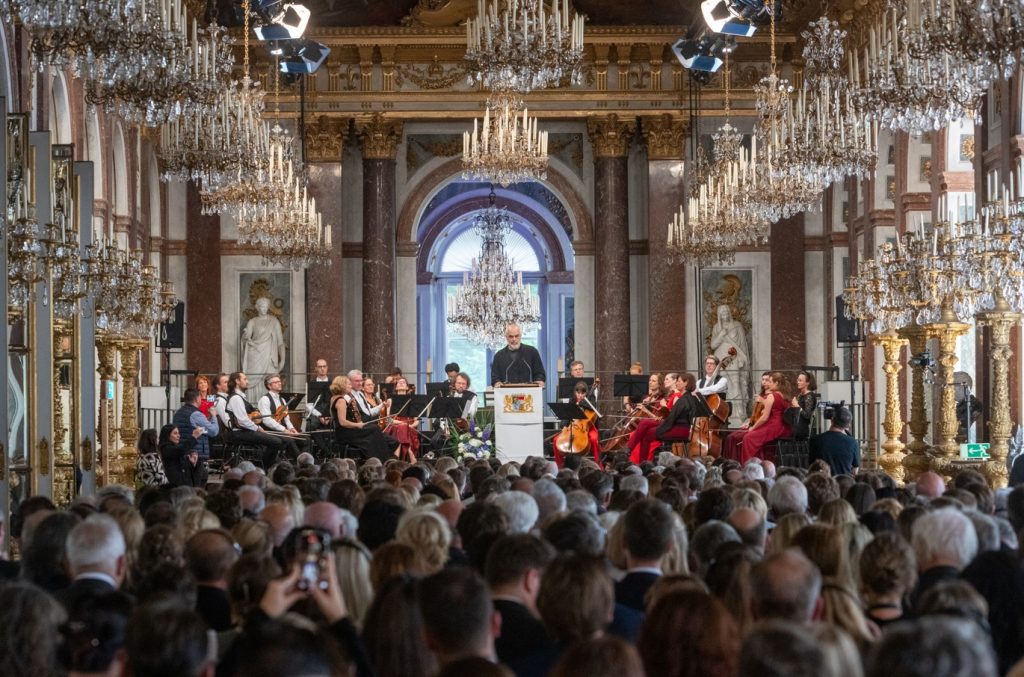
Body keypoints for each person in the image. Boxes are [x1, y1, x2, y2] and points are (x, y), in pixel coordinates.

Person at [223, 371, 288, 468]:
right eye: (244, 379)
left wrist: (257, 423)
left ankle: (270, 464)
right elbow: (242, 421)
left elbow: (247, 418)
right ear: (237, 381)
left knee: (282, 440)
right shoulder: (236, 398)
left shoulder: (240, 397)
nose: (247, 382)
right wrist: (257, 428)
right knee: (276, 441)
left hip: (245, 431)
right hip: (239, 433)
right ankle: (265, 467)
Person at [330, 375, 399, 462]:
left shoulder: (334, 398)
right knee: (374, 429)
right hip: (345, 433)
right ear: (342, 385)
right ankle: (384, 458)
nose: (350, 386)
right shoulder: (341, 401)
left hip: (343, 431)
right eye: (348, 384)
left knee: (374, 430)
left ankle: (382, 457)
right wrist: (357, 425)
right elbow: (342, 422)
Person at [734, 371, 792, 463]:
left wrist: (752, 428)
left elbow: (764, 418)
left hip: (774, 427)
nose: (768, 384)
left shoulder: (772, 396)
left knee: (748, 437)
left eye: (770, 382)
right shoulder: (785, 395)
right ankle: (760, 460)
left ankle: (750, 465)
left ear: (776, 383)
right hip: (785, 427)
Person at [709, 304, 750, 425]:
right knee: (724, 385)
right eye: (722, 313)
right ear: (719, 315)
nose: (724, 315)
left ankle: (739, 411)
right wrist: (721, 335)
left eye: (726, 312)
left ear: (729, 313)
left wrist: (743, 358)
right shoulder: (717, 327)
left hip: (733, 356)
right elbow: (713, 345)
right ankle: (724, 412)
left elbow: (742, 345)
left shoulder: (737, 326)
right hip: (721, 357)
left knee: (736, 382)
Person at [626, 372, 680, 464]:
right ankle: (643, 463)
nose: (664, 381)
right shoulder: (669, 395)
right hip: (662, 422)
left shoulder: (676, 396)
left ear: (675, 381)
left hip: (668, 424)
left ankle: (628, 449)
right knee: (645, 432)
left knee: (644, 423)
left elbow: (672, 416)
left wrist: (664, 406)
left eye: (667, 379)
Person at [258, 373, 309, 461]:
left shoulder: (283, 400)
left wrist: (292, 428)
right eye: (276, 382)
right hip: (270, 431)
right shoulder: (264, 400)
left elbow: (286, 418)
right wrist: (284, 430)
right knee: (290, 440)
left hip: (282, 430)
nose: (280, 383)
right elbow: (266, 420)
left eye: (279, 381)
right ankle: (301, 463)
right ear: (269, 386)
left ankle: (304, 462)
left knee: (306, 439)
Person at [241, 295, 286, 381]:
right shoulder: (252, 321)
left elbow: (280, 343)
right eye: (262, 306)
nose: (265, 309)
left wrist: (282, 360)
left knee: (271, 381)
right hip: (255, 356)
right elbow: (246, 339)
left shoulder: (274, 321)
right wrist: (245, 337)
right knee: (253, 381)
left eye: (266, 306)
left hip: (269, 357)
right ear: (257, 307)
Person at [173, 388, 219, 464]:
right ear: (197, 399)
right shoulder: (196, 414)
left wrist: (208, 419)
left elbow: (190, 427)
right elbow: (214, 431)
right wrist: (214, 416)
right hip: (195, 454)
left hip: (182, 451)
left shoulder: (178, 413)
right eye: (200, 397)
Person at [809, 406, 860, 476]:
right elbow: (855, 470)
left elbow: (811, 465)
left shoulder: (815, 440)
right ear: (848, 426)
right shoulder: (852, 442)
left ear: (832, 420)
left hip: (823, 482)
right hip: (844, 483)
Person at [159, 423, 206, 488]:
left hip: (184, 483)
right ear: (167, 435)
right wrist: (194, 437)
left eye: (178, 433)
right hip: (176, 485)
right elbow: (181, 450)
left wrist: (192, 463)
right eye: (175, 433)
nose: (179, 436)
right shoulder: (166, 448)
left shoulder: (174, 447)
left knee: (202, 469)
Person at [791, 371, 819, 440]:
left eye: (800, 380)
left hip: (801, 428)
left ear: (807, 383)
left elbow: (807, 415)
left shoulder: (809, 396)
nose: (797, 382)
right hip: (797, 425)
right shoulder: (801, 395)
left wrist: (797, 406)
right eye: (798, 380)